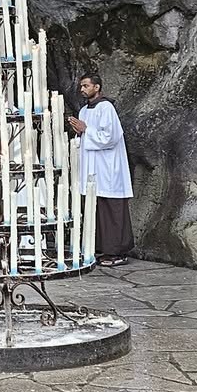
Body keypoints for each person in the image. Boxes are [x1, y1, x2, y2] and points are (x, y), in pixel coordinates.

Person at [70, 74, 132, 267]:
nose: (82, 89)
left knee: (112, 210)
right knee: (97, 210)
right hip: (93, 168)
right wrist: (80, 132)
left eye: (86, 86)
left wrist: (86, 130)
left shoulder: (106, 108)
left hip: (109, 168)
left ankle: (117, 252)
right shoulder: (83, 111)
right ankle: (103, 249)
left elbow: (111, 137)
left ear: (97, 87)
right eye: (81, 86)